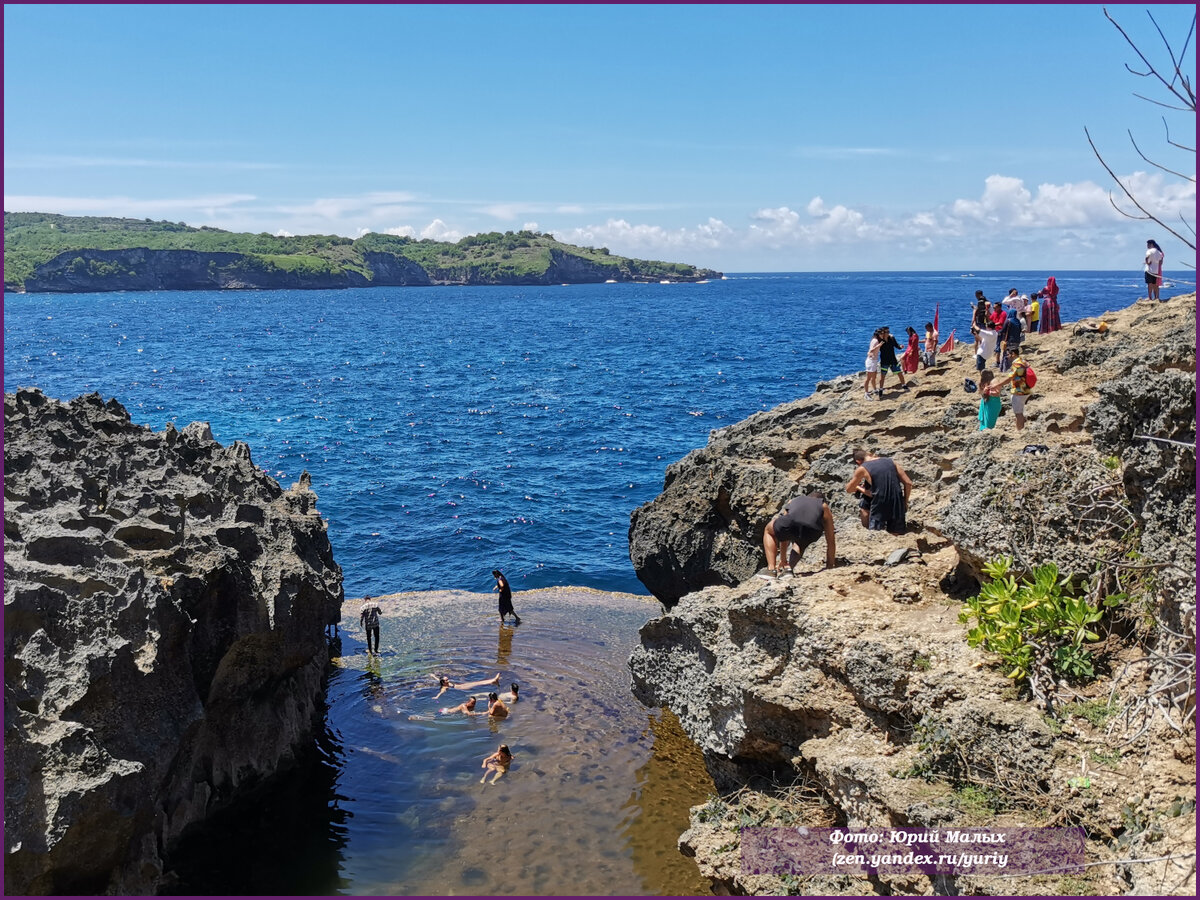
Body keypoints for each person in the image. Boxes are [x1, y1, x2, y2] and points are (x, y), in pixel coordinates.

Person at [761, 492, 837, 576]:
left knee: (768, 531)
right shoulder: (823, 506)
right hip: (812, 530)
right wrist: (830, 566)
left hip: (791, 522)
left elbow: (784, 535)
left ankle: (771, 569)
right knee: (800, 544)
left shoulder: (793, 501)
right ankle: (789, 569)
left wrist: (783, 560)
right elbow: (831, 540)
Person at [845, 450, 912, 535]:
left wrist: (858, 487)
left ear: (858, 461)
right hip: (897, 502)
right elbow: (908, 483)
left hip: (880, 505)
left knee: (876, 536)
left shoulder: (862, 468)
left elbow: (849, 489)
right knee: (897, 535)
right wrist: (905, 501)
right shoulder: (891, 461)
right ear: (869, 454)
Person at [990, 356, 1033, 430]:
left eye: (1008, 354)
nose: (1007, 356)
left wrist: (997, 385)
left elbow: (1009, 378)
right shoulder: (1023, 361)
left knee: (1018, 413)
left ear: (1013, 354)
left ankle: (1019, 430)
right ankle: (1021, 428)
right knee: (1020, 411)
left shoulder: (1016, 364)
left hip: (1019, 392)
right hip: (1026, 389)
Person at [877, 326, 907, 395]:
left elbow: (896, 345)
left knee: (899, 373)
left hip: (893, 360)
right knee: (883, 376)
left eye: (888, 332)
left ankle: (904, 385)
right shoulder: (880, 341)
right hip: (885, 361)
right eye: (886, 332)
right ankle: (881, 390)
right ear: (883, 333)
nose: (888, 333)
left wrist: (900, 347)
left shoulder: (892, 339)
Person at [434, 672, 502, 699]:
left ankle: (493, 681)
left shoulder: (444, 682)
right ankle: (493, 680)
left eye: (448, 679)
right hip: (463, 688)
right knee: (478, 683)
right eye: (446, 680)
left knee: (477, 682)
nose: (448, 680)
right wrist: (437, 697)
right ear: (443, 682)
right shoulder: (445, 687)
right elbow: (441, 692)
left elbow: (438, 680)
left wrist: (433, 676)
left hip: (463, 685)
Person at [864, 328, 883, 399]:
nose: (882, 335)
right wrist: (878, 346)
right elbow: (871, 350)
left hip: (874, 360)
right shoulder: (875, 341)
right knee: (868, 378)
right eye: (881, 334)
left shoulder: (875, 340)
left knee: (874, 377)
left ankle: (874, 389)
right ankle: (866, 393)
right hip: (871, 361)